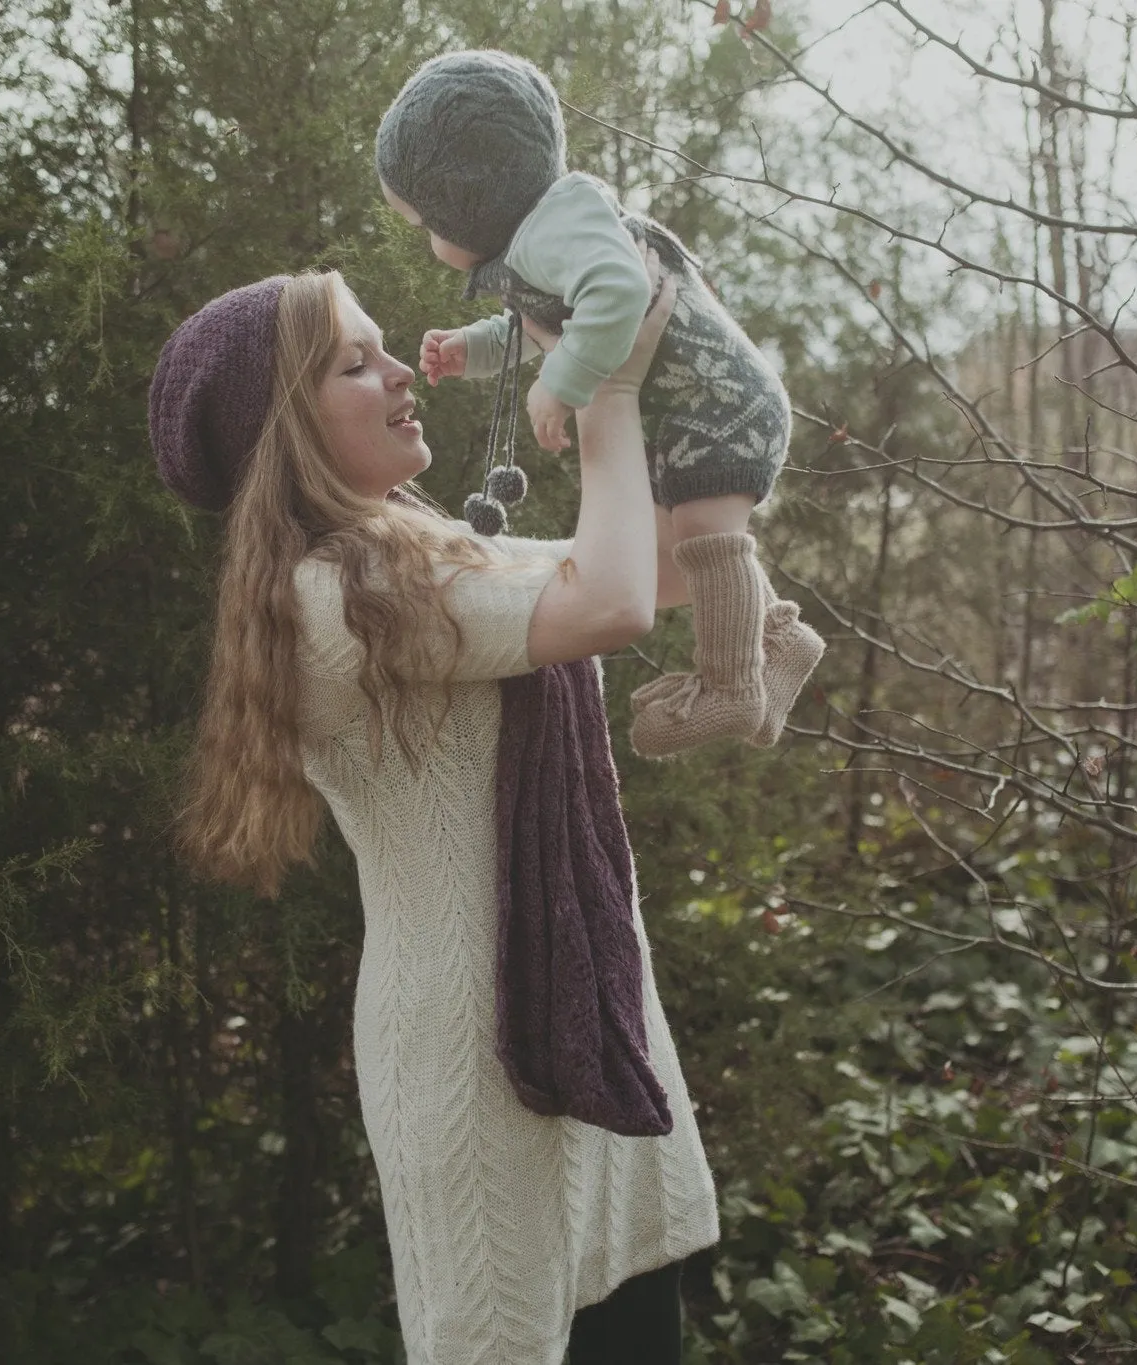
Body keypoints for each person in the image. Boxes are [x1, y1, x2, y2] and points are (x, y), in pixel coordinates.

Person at [145, 256, 716, 1365]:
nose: (402, 369)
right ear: (288, 433)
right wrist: (604, 390)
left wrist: (671, 357)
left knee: (633, 1335)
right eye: (355, 362)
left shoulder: (427, 555)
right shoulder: (343, 598)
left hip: (574, 1006)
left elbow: (673, 563)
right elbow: (609, 603)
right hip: (480, 1058)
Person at [375, 48, 825, 759]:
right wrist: (474, 348)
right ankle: (775, 641)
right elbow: (548, 321)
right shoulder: (543, 236)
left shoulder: (559, 224)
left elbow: (614, 292)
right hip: (691, 408)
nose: (430, 241)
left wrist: (564, 384)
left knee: (706, 529)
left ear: (469, 196)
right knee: (683, 532)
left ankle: (731, 681)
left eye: (427, 222)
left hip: (717, 404)